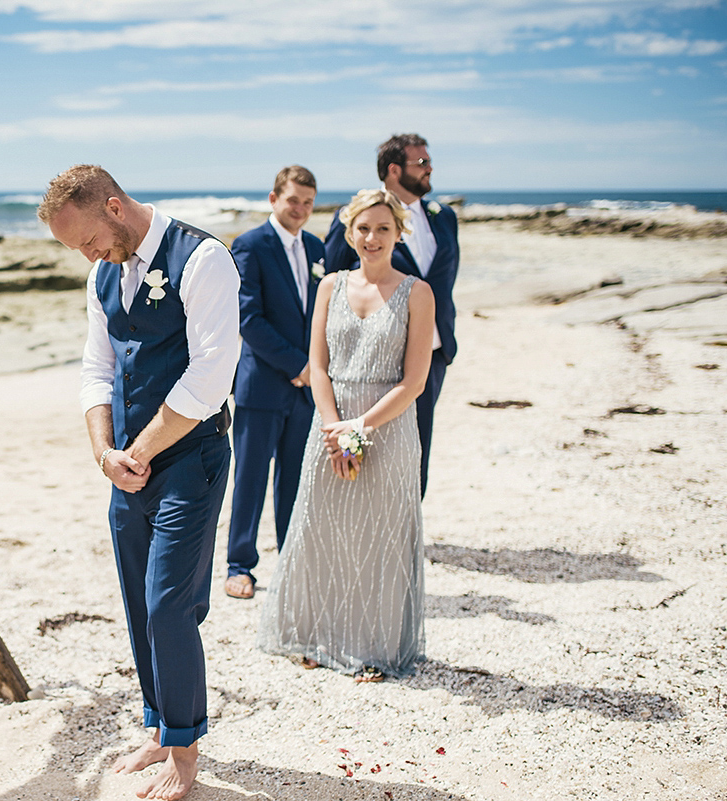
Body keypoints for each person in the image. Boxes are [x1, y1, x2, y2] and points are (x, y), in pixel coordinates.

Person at [37, 165, 239, 801]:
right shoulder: (102, 274)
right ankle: (159, 725)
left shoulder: (203, 258)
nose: (87, 256)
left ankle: (184, 756)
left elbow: (212, 375)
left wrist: (143, 449)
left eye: (88, 241)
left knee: (167, 605)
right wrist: (106, 454)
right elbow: (96, 368)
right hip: (126, 468)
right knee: (135, 600)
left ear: (115, 208)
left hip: (190, 458)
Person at [259, 188, 434, 680]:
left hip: (387, 428)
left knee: (379, 535)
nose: (372, 237)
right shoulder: (330, 286)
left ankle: (373, 649)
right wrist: (335, 428)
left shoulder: (417, 293)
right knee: (322, 527)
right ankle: (315, 636)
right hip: (329, 422)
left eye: (383, 228)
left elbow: (414, 381)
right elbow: (318, 366)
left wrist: (359, 428)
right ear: (348, 231)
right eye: (363, 228)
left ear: (399, 233)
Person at [323, 133, 458, 497]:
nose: (430, 169)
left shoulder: (444, 217)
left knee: (417, 442)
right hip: (376, 356)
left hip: (433, 350)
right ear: (395, 169)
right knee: (368, 444)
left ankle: (409, 516)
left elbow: (442, 285)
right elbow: (335, 283)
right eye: (422, 163)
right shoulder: (354, 219)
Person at [224, 165, 325, 600]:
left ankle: (292, 559)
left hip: (306, 388)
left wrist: (315, 369)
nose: (300, 209)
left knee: (295, 479)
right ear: (273, 199)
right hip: (262, 384)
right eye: (293, 200)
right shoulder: (249, 245)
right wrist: (298, 365)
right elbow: (248, 318)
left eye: (308, 202)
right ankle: (239, 565)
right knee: (249, 478)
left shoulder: (319, 248)